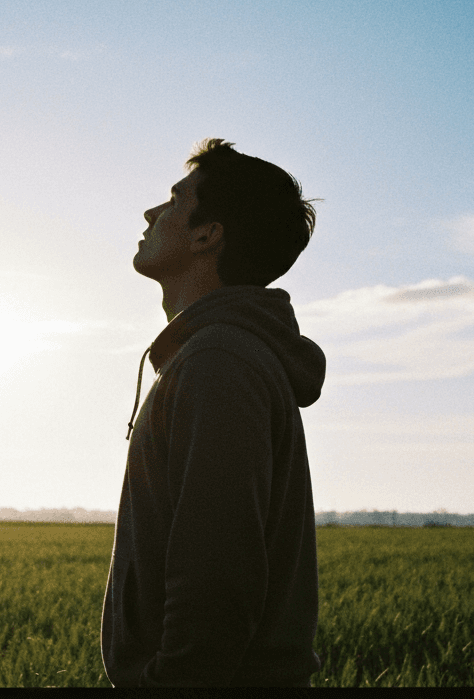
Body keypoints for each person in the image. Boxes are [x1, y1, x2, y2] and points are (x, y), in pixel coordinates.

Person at [101, 138, 325, 687]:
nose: (153, 213)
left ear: (207, 234)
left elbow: (217, 576)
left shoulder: (218, 363)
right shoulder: (220, 356)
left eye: (176, 200)